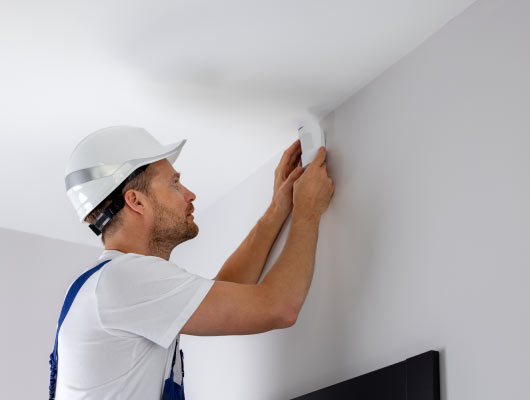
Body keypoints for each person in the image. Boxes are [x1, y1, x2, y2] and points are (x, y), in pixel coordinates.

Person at [51, 125, 334, 399]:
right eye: (174, 183)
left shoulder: (105, 284)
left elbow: (226, 292)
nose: (190, 194)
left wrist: (277, 209)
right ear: (136, 201)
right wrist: (308, 210)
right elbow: (278, 307)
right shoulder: (125, 278)